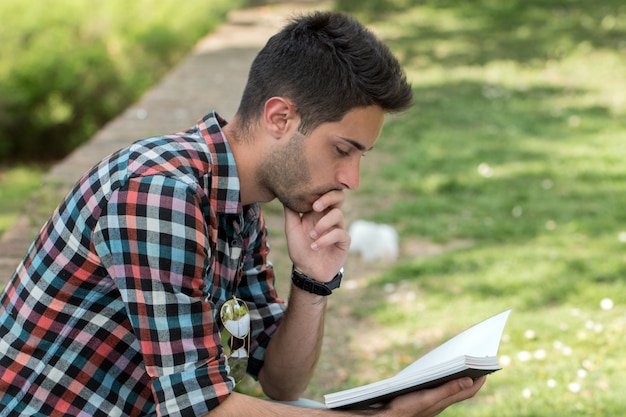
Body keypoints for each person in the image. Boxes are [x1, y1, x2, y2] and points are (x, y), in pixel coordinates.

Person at [0, 11, 485, 417]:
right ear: (280, 118)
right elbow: (203, 410)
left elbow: (278, 381)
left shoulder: (239, 204)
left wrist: (314, 281)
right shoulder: (161, 194)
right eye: (343, 149)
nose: (351, 178)